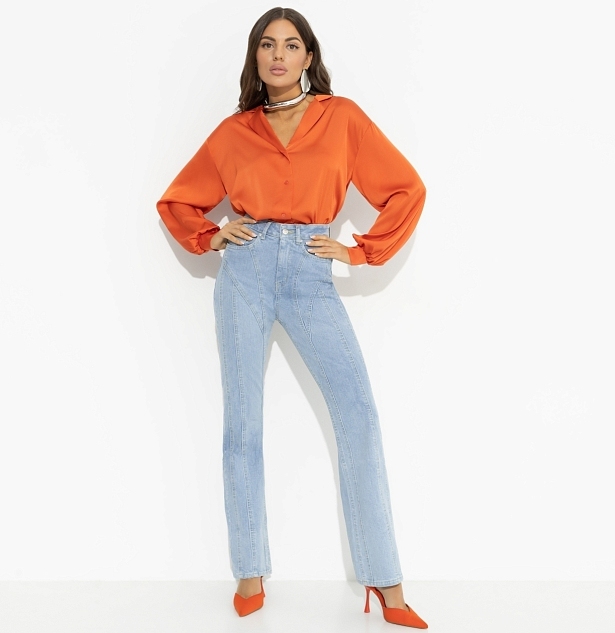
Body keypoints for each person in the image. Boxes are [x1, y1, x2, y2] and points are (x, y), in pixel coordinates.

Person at [156, 6, 428, 629]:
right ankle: (249, 569)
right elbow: (177, 201)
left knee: (357, 416)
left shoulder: (343, 118)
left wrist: (360, 250)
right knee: (242, 423)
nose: (278, 55)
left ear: (309, 56)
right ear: (256, 57)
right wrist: (213, 235)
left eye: (291, 44)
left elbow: (406, 189)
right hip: (245, 273)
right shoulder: (234, 132)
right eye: (267, 45)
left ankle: (385, 579)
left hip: (310, 268)